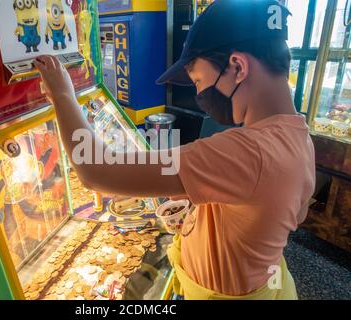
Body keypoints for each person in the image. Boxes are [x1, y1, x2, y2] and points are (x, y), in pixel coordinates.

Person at [35, 0, 315, 300]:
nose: (198, 94)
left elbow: (96, 170)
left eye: (198, 81)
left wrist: (63, 94)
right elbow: (294, 214)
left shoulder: (246, 152)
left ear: (237, 66)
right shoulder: (298, 135)